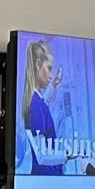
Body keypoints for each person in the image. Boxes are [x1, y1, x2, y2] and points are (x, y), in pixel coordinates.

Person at [22, 38, 66, 173]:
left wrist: (53, 85)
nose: (51, 75)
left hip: (47, 175)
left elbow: (43, 103)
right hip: (46, 176)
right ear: (38, 64)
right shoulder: (35, 104)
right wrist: (67, 155)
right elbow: (41, 156)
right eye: (49, 68)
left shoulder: (36, 100)